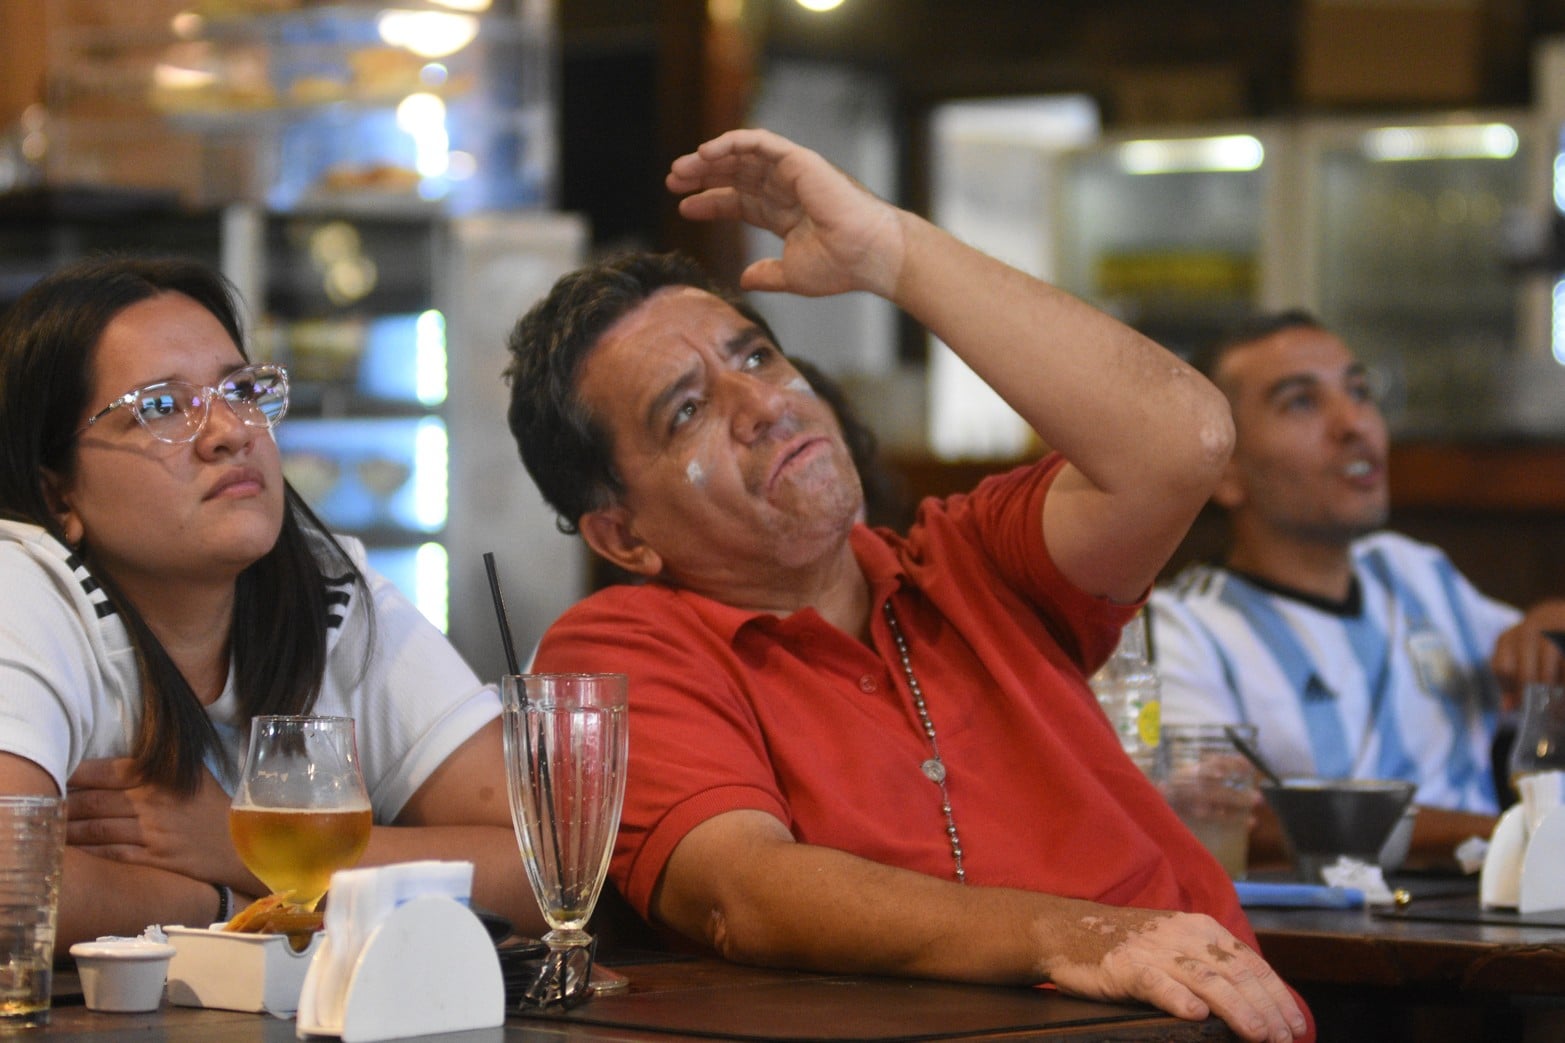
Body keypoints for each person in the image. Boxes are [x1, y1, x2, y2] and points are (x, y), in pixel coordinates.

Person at [505, 128, 1311, 1043]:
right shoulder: (624, 646)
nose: (765, 404)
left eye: (759, 356)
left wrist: (892, 252)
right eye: (686, 410)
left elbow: (1183, 438)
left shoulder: (970, 557)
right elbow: (744, 890)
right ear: (624, 533)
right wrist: (1071, 933)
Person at [0, 255, 539, 948]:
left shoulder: (330, 594)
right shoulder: (27, 590)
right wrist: (229, 904)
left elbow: (539, 865)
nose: (231, 429)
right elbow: (14, 881)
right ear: (56, 494)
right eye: (162, 407)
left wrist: (242, 844)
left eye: (241, 390)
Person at [1149, 310, 1565, 864]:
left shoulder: (1415, 572)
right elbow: (1220, 819)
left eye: (1361, 392)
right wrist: (1512, 833)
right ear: (1222, 469)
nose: (1354, 424)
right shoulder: (1185, 628)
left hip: (1502, 917)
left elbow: (1538, 650)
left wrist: (1547, 623)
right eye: (1301, 401)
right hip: (1331, 943)